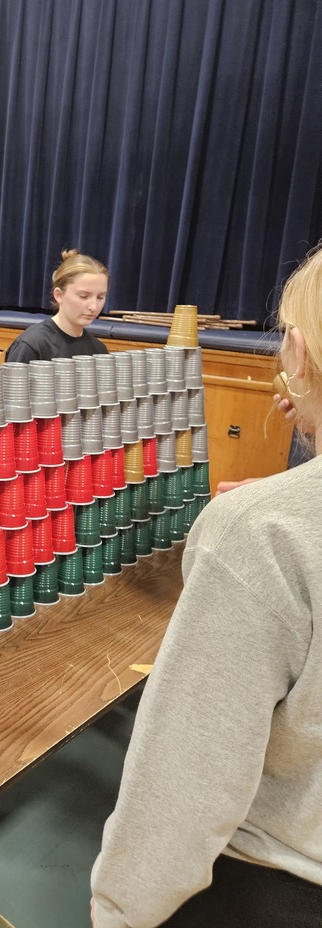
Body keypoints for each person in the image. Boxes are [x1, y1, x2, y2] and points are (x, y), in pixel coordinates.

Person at [90, 246, 322, 927]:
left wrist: (120, 911)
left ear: (299, 354)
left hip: (274, 882)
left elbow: (185, 789)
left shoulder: (261, 535)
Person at [5, 249, 109, 362]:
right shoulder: (31, 345)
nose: (93, 307)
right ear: (59, 295)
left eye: (100, 297)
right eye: (83, 296)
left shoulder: (99, 350)